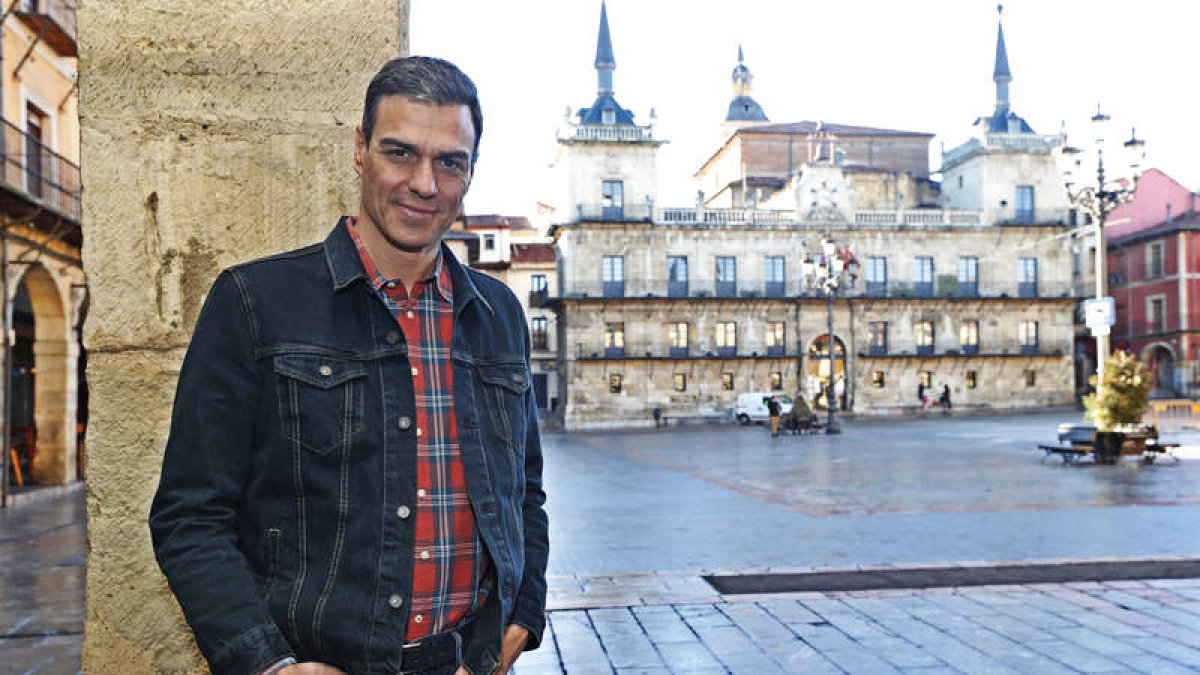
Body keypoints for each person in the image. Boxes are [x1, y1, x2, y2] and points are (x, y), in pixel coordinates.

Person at [148, 56, 548, 675]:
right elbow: (190, 515)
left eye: (450, 161)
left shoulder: (498, 313)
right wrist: (270, 665)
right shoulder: (256, 303)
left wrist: (522, 613)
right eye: (400, 152)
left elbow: (523, 494)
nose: (424, 183)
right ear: (360, 150)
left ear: (470, 171)